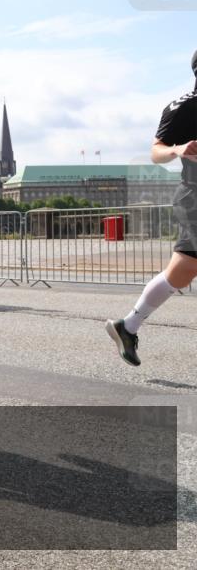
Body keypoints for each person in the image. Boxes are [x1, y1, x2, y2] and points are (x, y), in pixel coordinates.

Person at [106, 50, 197, 366]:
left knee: (182, 271)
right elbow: (155, 152)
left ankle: (127, 327)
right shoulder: (183, 107)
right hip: (195, 198)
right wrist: (178, 149)